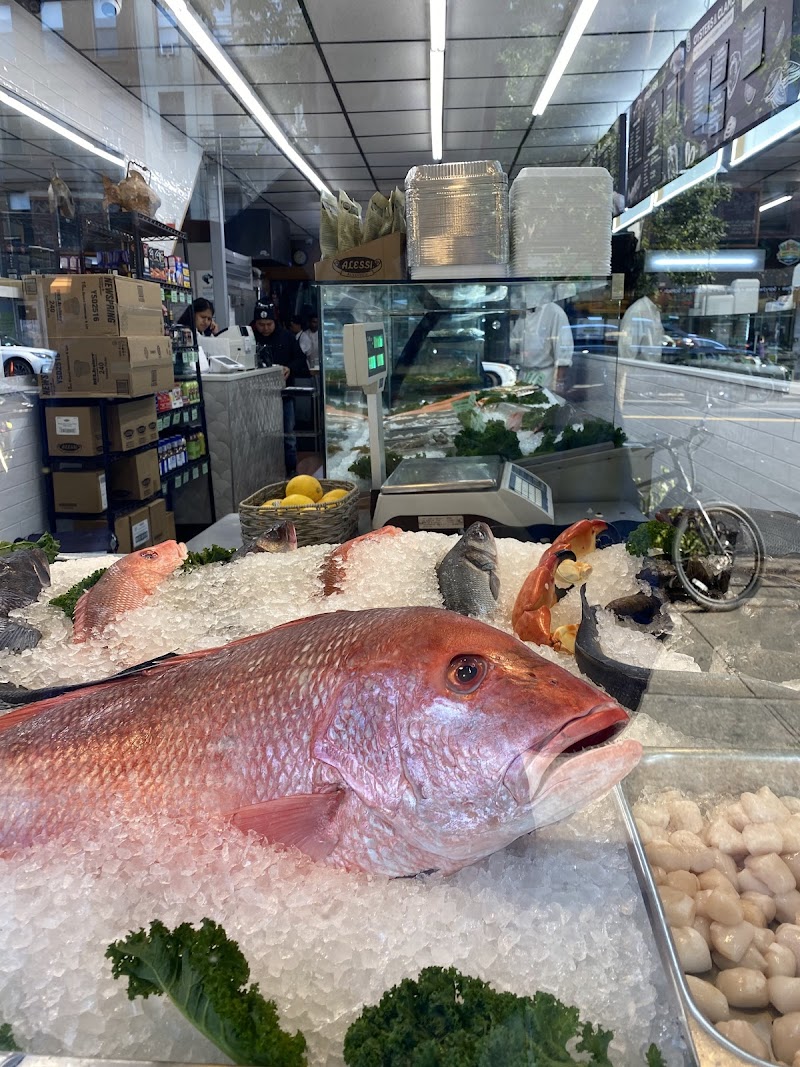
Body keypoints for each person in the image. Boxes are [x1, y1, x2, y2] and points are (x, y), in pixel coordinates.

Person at [250, 305, 310, 476]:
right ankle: (264, 470)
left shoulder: (286, 336)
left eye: (269, 324)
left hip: (284, 394)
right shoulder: (249, 337)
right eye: (261, 324)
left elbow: (300, 359)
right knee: (261, 433)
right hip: (257, 395)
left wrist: (289, 368)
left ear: (274, 322)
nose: (265, 328)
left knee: (288, 433)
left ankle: (291, 469)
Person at [513, 285, 573, 393]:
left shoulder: (555, 312)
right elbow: (514, 340)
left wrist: (559, 383)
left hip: (546, 377)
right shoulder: (524, 314)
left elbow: (563, 354)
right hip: (524, 376)